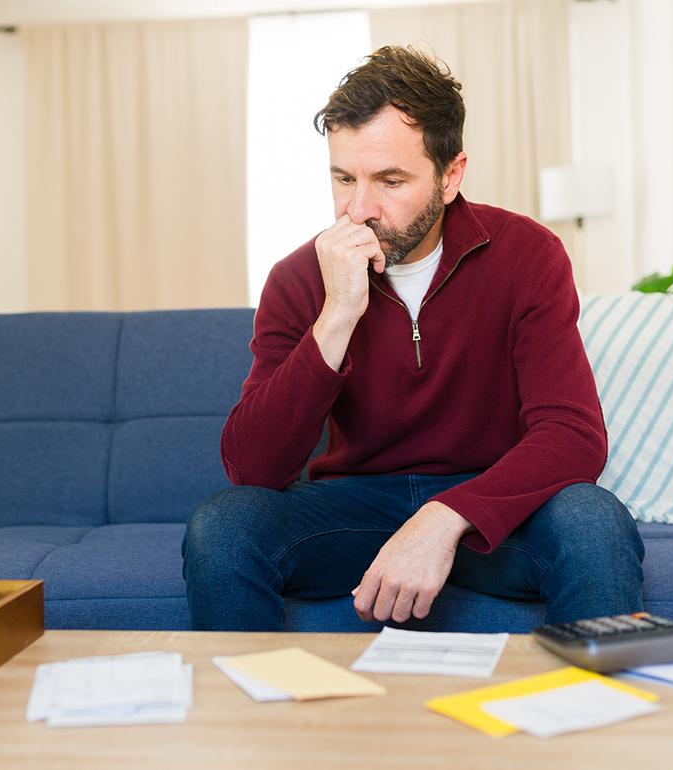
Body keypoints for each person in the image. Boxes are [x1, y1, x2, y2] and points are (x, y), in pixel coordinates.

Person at [182, 46, 643, 632]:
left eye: (390, 180)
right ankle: (259, 719)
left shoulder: (528, 254)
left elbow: (573, 436)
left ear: (450, 176)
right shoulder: (298, 278)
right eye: (344, 177)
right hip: (354, 508)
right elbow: (254, 468)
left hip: (486, 511)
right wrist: (338, 314)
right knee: (222, 524)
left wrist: (443, 518)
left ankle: (599, 713)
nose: (359, 209)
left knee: (592, 518)